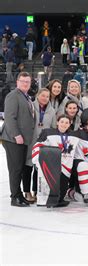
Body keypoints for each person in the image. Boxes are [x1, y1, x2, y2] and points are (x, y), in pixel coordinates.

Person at [2, 72, 36, 207]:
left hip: (22, 139)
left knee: (19, 168)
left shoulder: (26, 97)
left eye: (27, 81)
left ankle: (19, 195)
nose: (25, 84)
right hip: (13, 139)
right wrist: (16, 135)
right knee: (15, 169)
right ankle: (15, 197)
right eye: (23, 81)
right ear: (17, 82)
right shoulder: (13, 96)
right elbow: (9, 117)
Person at [32, 115, 81, 207]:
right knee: (51, 188)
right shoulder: (48, 132)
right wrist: (37, 162)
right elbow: (37, 146)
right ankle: (46, 200)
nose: (64, 124)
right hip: (52, 165)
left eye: (67, 122)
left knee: (61, 193)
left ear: (70, 124)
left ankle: (59, 199)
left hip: (66, 166)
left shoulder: (75, 135)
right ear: (57, 122)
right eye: (62, 122)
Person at [22, 88, 57, 203]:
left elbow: (53, 127)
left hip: (43, 142)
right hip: (30, 140)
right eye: (43, 95)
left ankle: (37, 191)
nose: (45, 98)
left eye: (47, 96)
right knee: (28, 166)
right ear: (38, 95)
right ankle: (27, 191)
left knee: (39, 168)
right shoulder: (30, 106)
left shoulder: (51, 111)